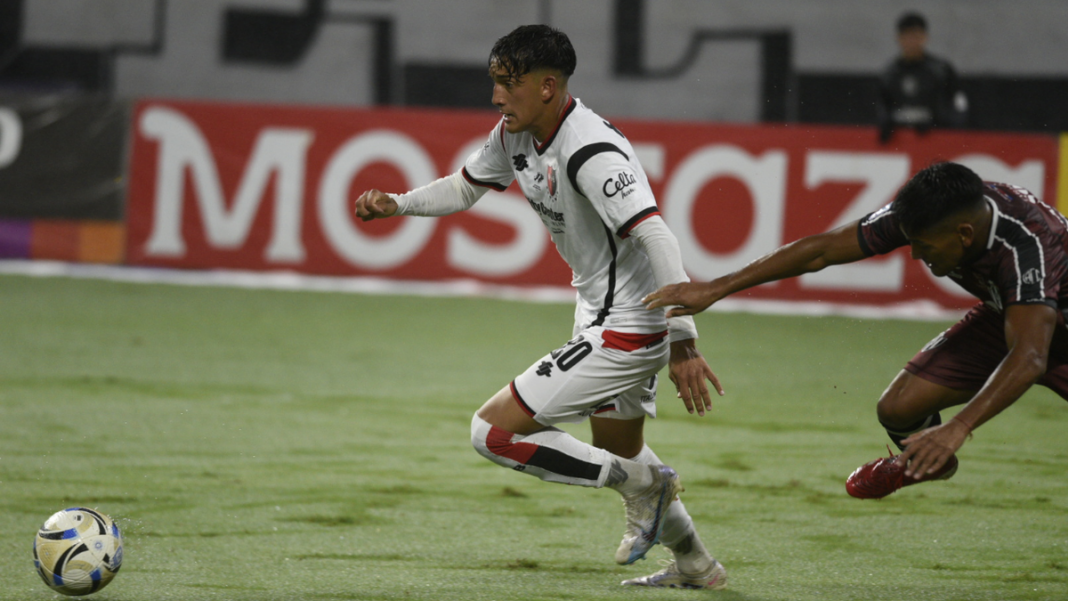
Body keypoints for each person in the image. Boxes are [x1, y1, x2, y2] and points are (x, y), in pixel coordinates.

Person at [354, 25, 727, 589]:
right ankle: (696, 563)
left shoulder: (591, 151)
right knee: (619, 449)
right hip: (599, 312)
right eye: (495, 82)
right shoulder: (516, 136)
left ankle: (644, 486)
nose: (496, 96)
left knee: (491, 432)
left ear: (548, 87)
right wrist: (398, 204)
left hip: (632, 326)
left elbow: (658, 237)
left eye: (509, 83)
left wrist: (684, 342)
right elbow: (465, 186)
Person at [644, 162, 1068, 499]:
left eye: (924, 246)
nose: (916, 255)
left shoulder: (1028, 244)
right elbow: (822, 251)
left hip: (1043, 332)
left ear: (965, 234)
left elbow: (1030, 356)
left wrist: (958, 427)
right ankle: (926, 464)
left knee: (1026, 354)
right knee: (898, 408)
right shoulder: (927, 212)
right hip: (1010, 315)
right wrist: (717, 288)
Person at [876, 12, 968, 143]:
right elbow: (882, 106)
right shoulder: (889, 73)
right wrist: (886, 124)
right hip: (901, 141)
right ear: (899, 38)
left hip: (935, 140)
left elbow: (958, 104)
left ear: (925, 38)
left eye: (916, 36)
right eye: (907, 36)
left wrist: (943, 125)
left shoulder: (940, 70)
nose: (911, 42)